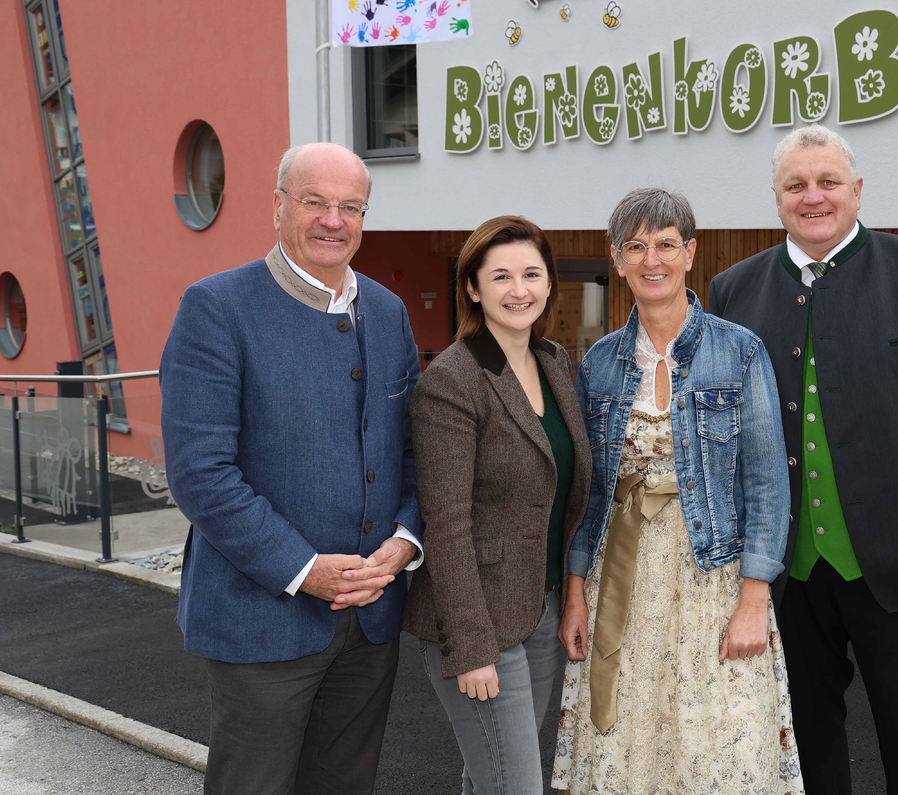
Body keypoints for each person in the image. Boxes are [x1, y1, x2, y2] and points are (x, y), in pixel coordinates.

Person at [708, 124, 898, 795]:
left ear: (857, 190)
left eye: (828, 182)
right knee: (799, 755)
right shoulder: (734, 291)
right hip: (785, 576)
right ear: (776, 198)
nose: (813, 196)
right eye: (796, 185)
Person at [159, 142, 424, 795]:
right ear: (278, 206)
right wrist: (305, 570)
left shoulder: (388, 312)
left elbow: (415, 451)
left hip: (370, 619)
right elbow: (201, 474)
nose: (333, 220)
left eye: (350, 207)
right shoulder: (215, 308)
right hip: (260, 622)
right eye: (314, 202)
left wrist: (404, 543)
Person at [552, 188, 803, 795]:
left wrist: (754, 600)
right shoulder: (600, 363)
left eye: (666, 244)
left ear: (690, 253)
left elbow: (768, 484)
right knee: (628, 741)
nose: (652, 260)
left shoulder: (739, 351)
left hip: (712, 577)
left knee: (720, 741)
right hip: (622, 577)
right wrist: (575, 593)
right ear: (617, 260)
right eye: (635, 247)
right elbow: (589, 494)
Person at [402, 216, 592, 795]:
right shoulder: (453, 380)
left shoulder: (554, 362)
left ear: (549, 283)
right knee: (516, 785)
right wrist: (471, 647)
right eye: (501, 276)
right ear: (472, 288)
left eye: (532, 274)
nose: (519, 290)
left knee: (493, 776)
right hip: (478, 620)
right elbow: (446, 524)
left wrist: (570, 595)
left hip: (540, 608)